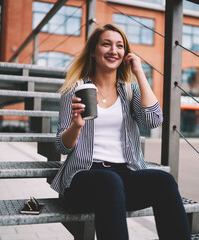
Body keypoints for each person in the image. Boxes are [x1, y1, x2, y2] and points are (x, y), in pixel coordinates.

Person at [51, 23, 191, 240]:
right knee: (109, 181)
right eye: (106, 44)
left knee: (164, 181)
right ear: (93, 52)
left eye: (119, 46)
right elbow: (61, 146)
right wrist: (76, 126)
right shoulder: (74, 90)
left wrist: (139, 73)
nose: (113, 50)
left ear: (125, 54)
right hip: (83, 178)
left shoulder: (129, 90)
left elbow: (154, 120)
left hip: (124, 177)